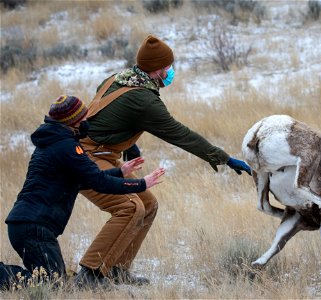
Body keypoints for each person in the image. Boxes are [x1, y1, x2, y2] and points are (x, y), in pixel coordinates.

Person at [75, 34, 252, 285]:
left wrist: (129, 144)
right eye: (167, 67)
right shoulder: (144, 100)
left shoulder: (118, 78)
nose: (171, 71)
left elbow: (107, 116)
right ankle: (91, 274)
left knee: (147, 204)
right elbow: (179, 134)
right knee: (129, 207)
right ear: (156, 70)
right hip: (88, 157)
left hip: (104, 154)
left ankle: (117, 271)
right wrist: (223, 158)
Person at [4, 95, 165, 289]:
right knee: (53, 286)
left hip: (29, 226)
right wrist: (141, 184)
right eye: (83, 119)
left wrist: (120, 171)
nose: (86, 122)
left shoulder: (54, 144)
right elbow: (98, 182)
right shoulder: (66, 147)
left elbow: (83, 179)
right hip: (33, 228)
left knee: (56, 283)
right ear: (72, 122)